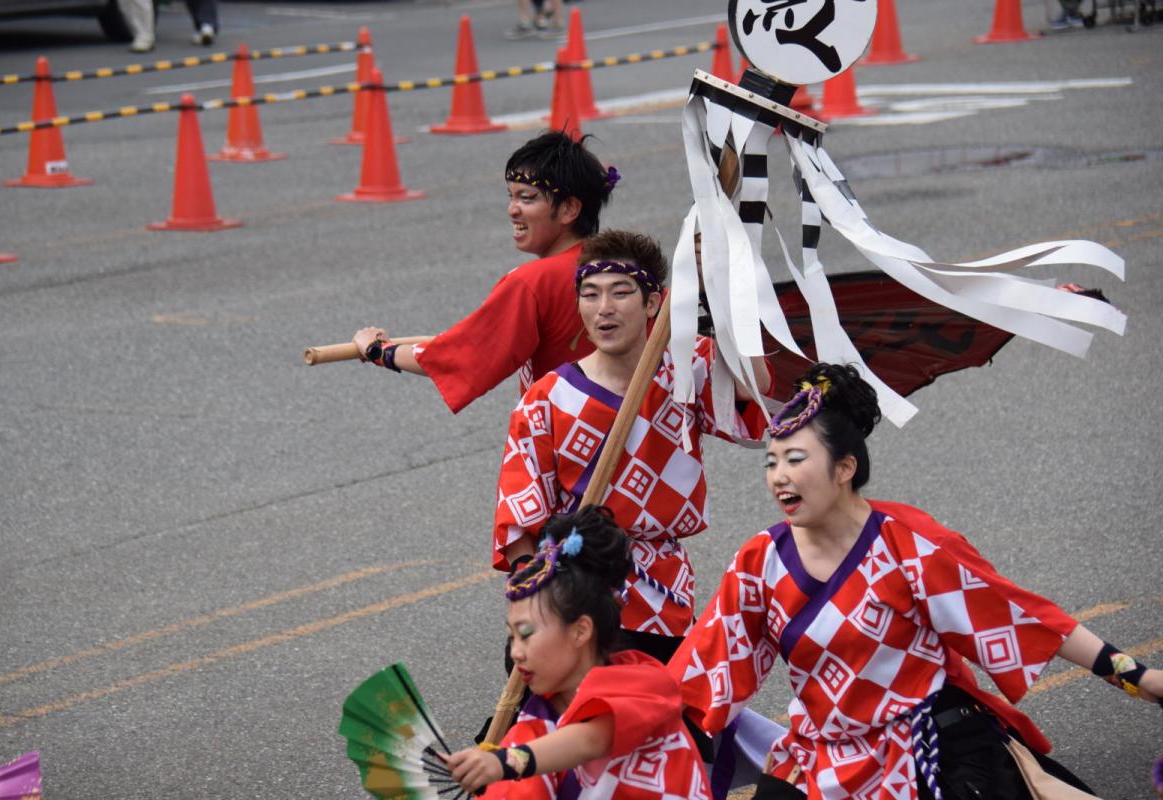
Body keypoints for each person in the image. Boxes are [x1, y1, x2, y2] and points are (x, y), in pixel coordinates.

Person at [669, 362, 1163, 799]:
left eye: (795, 460)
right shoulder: (761, 561)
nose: (778, 476)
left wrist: (1140, 678)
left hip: (922, 747)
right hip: (817, 757)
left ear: (845, 467)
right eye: (771, 462)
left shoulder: (906, 543)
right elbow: (703, 664)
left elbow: (1025, 618)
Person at [493, 230, 774, 663]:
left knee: (666, 723)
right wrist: (533, 591)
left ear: (653, 304)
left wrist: (722, 290)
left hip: (663, 587)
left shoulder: (686, 365)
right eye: (590, 294)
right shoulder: (547, 399)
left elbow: (754, 386)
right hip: (576, 586)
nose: (603, 308)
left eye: (620, 292)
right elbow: (519, 514)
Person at [447, 505, 713, 798]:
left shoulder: (644, 685)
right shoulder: (535, 723)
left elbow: (590, 739)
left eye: (526, 634)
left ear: (580, 630)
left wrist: (503, 762)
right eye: (512, 637)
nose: (516, 653)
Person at [353, 132, 617, 414]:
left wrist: (380, 351)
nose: (512, 210)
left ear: (569, 209)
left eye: (526, 198)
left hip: (570, 434)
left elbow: (463, 356)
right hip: (637, 436)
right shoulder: (624, 264)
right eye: (511, 197)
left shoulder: (532, 282)